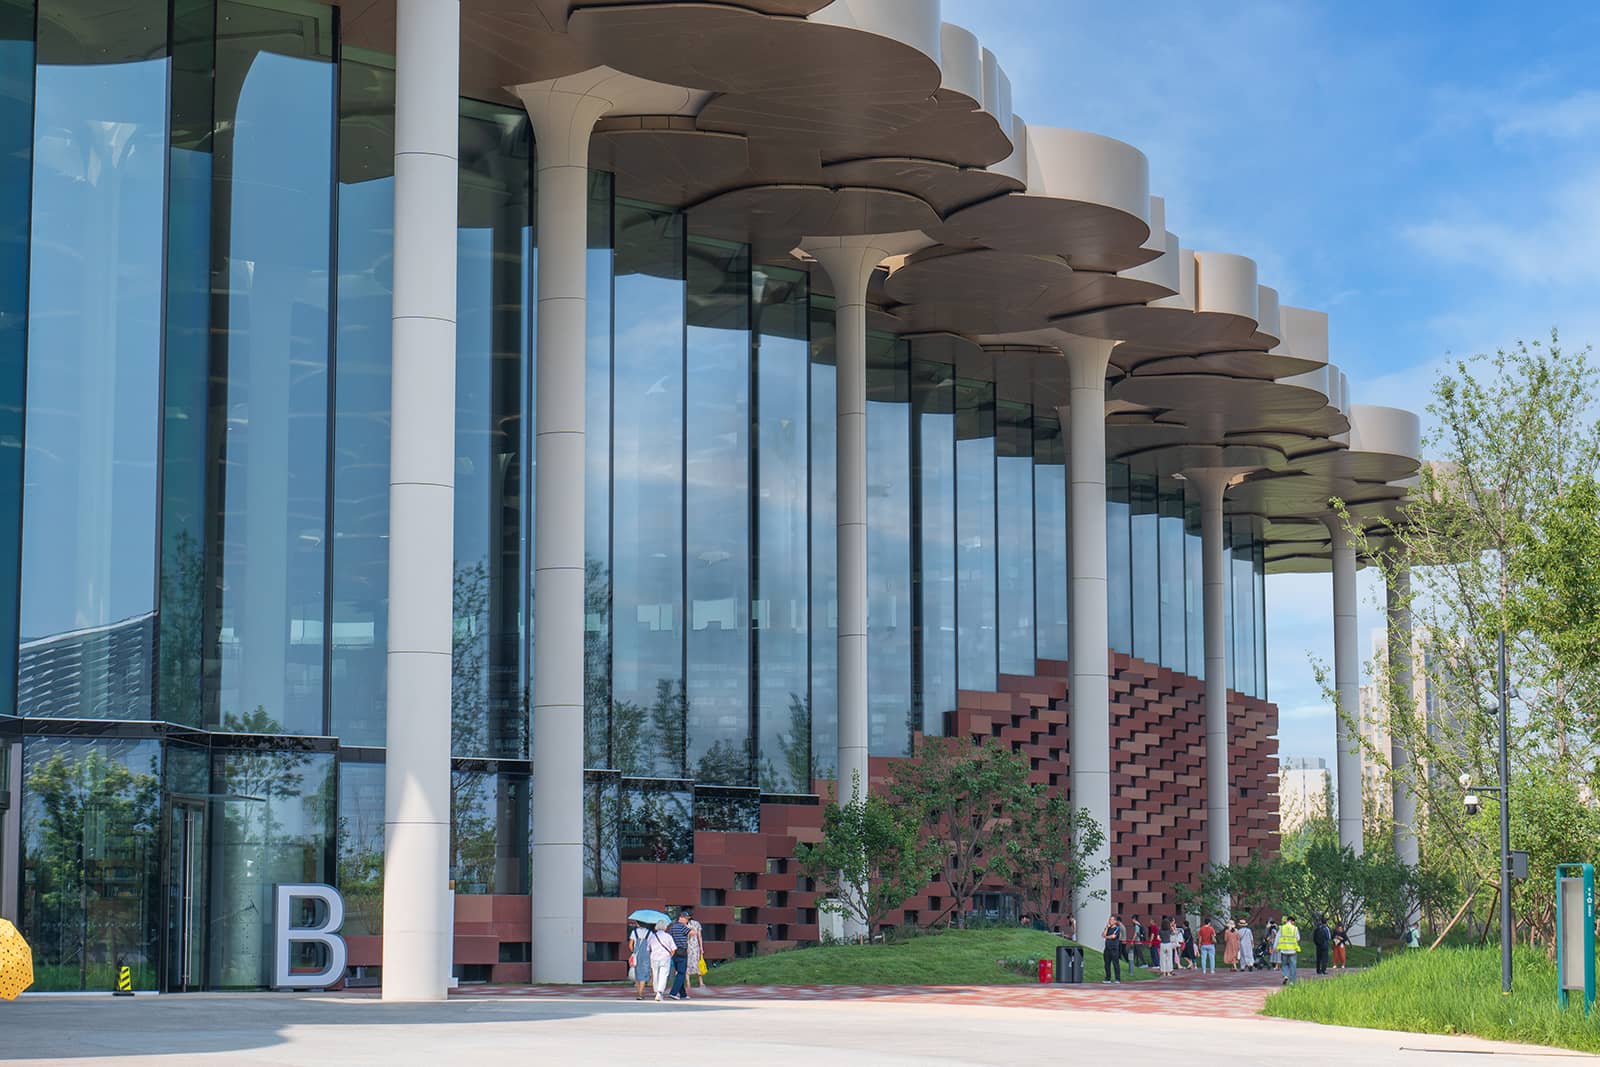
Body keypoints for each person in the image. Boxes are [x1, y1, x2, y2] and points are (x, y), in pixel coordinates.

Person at [646, 922, 677, 1001]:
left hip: (654, 958)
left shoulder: (652, 936)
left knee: (655, 974)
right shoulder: (668, 936)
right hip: (665, 958)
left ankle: (656, 991)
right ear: (665, 927)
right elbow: (673, 949)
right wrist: (670, 956)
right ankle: (660, 992)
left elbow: (648, 949)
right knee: (663, 975)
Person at [667, 910, 692, 999]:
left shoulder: (672, 927)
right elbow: (693, 933)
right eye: (686, 919)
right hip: (682, 951)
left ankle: (683, 994)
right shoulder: (683, 927)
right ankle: (673, 992)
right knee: (681, 973)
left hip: (674, 952)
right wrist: (690, 928)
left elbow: (669, 937)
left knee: (679, 973)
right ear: (681, 918)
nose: (687, 920)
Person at [685, 907, 709, 994]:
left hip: (687, 946)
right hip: (695, 947)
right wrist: (701, 947)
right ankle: (701, 982)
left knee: (687, 964)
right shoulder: (696, 924)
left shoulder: (684, 924)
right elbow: (700, 936)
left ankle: (688, 983)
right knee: (697, 963)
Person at [629, 921, 652, 1000]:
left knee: (637, 973)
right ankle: (640, 993)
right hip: (646, 954)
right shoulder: (650, 933)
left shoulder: (634, 932)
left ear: (638, 924)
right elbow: (651, 944)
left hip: (636, 954)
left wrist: (633, 952)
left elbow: (630, 945)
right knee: (644, 973)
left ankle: (639, 992)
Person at [1277, 913, 1302, 985]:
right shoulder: (1295, 928)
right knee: (1293, 966)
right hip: (1293, 950)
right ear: (1292, 921)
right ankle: (1292, 982)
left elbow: (1278, 938)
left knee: (1284, 964)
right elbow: (1298, 938)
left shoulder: (1281, 928)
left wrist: (1277, 947)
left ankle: (1285, 975)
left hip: (1284, 950)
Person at [1102, 914, 1125, 983]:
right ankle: (1107, 978)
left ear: (1115, 921)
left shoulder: (1117, 928)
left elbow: (1113, 936)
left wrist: (1106, 937)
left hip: (1114, 949)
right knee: (1106, 964)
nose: (1110, 921)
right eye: (1109, 920)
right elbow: (1103, 935)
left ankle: (1117, 979)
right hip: (1107, 948)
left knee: (1115, 964)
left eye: (1111, 920)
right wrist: (1106, 927)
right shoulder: (1108, 928)